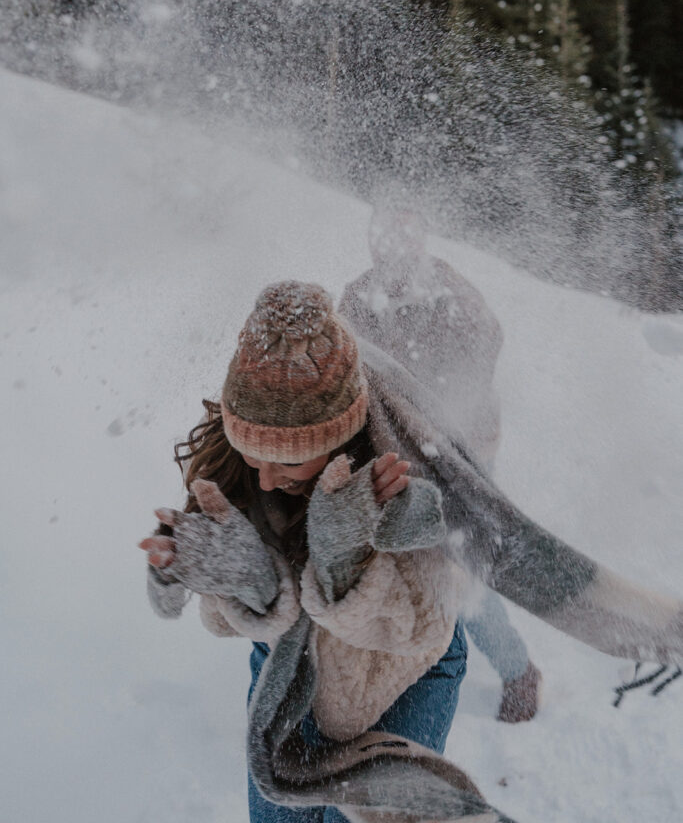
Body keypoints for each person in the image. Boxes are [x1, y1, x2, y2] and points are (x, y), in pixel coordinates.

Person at [140, 279, 683, 823]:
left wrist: (342, 557)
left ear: (337, 436)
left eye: (285, 462)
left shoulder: (407, 477)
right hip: (292, 672)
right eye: (251, 452)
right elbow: (193, 611)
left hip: (405, 673)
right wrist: (230, 574)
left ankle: (519, 671)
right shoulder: (235, 465)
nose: (264, 477)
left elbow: (420, 626)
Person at [339, 203, 540, 722]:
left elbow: (485, 348)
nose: (391, 250)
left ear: (420, 241)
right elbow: (348, 367)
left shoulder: (451, 295)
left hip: (461, 453)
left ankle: (517, 669)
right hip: (398, 452)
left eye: (402, 238)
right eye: (382, 238)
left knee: (461, 568)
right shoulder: (360, 297)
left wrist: (443, 407)